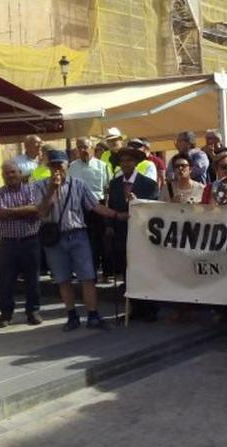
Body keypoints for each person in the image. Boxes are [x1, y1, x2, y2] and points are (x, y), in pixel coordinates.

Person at [34, 150, 126, 331]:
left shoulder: (78, 185)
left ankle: (92, 315)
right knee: (63, 279)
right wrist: (51, 190)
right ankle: (72, 315)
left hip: (77, 234)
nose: (57, 169)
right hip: (55, 238)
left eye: (60, 165)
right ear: (48, 167)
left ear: (67, 165)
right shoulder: (39, 186)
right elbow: (42, 212)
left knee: (87, 277)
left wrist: (116, 215)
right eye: (53, 165)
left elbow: (95, 206)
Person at [107, 147, 160, 322]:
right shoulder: (114, 184)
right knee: (128, 271)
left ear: (135, 162)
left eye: (129, 160)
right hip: (122, 233)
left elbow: (154, 207)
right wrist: (110, 225)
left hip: (143, 234)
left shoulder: (148, 183)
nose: (125, 164)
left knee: (145, 270)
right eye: (122, 161)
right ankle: (134, 308)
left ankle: (150, 308)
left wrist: (137, 201)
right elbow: (111, 207)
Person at [0, 161, 43, 328]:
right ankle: (6, 314)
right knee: (6, 281)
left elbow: (36, 210)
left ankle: (33, 311)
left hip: (30, 241)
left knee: (32, 279)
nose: (10, 176)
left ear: (20, 173)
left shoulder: (32, 189)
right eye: (7, 173)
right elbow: (0, 214)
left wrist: (12, 211)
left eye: (13, 172)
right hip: (8, 244)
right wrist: (25, 211)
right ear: (3, 176)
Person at [68, 137, 110, 277]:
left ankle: (106, 270)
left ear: (92, 148)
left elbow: (107, 189)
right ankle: (88, 270)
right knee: (83, 240)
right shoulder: (72, 166)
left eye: (85, 147)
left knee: (100, 239)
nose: (83, 150)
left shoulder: (102, 166)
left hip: (98, 206)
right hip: (80, 208)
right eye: (80, 147)